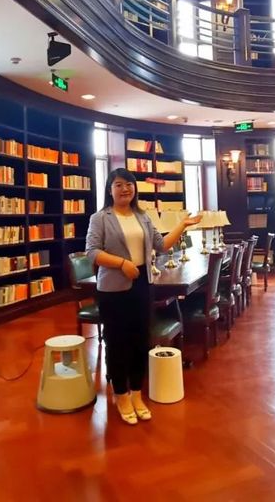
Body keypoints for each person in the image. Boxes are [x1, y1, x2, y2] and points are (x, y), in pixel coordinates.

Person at [86, 168, 201, 425]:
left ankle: (137, 394)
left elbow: (162, 245)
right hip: (113, 288)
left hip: (142, 284)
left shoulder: (142, 216)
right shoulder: (100, 218)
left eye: (129, 184)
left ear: (134, 188)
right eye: (118, 184)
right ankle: (121, 395)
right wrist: (121, 263)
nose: (125, 189)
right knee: (117, 342)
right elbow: (92, 252)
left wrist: (182, 225)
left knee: (140, 340)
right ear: (110, 190)